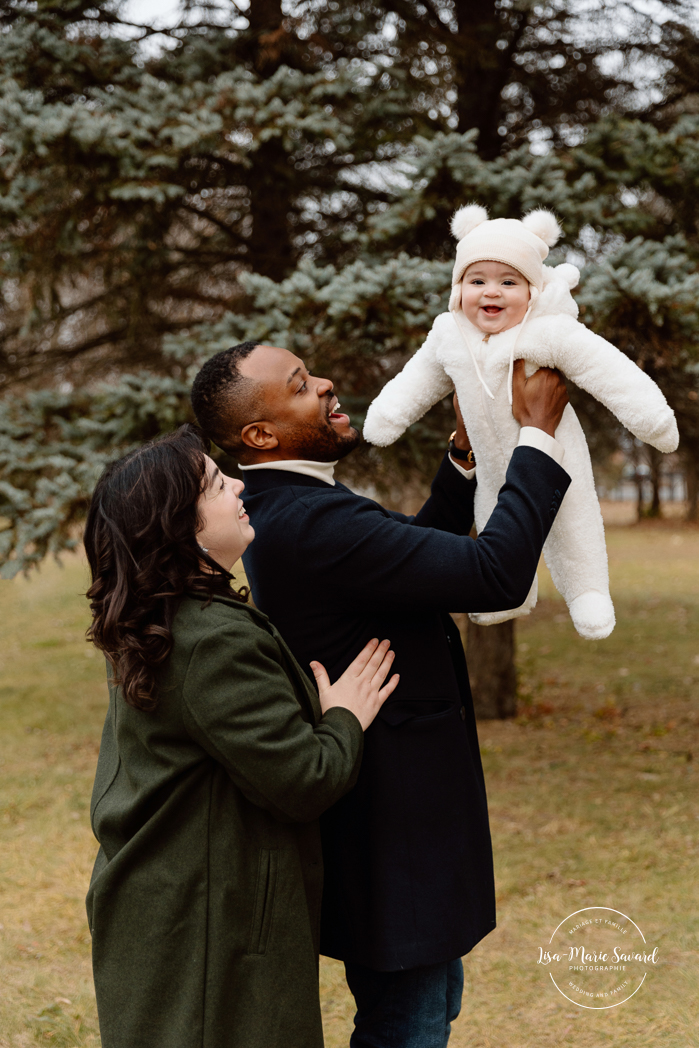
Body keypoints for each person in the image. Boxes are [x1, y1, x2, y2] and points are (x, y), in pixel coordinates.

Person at [190, 344, 570, 1048]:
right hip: (395, 825)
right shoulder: (313, 522)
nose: (326, 383)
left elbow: (406, 558)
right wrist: (537, 436)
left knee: (426, 1004)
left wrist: (460, 454)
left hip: (396, 815)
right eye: (301, 386)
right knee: (408, 1023)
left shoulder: (298, 505)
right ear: (260, 435)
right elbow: (493, 573)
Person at [83, 423, 399, 1048]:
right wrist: (344, 715)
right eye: (214, 483)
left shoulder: (173, 620)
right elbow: (303, 780)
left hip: (170, 906)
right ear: (182, 527)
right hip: (206, 925)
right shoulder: (211, 640)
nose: (236, 482)